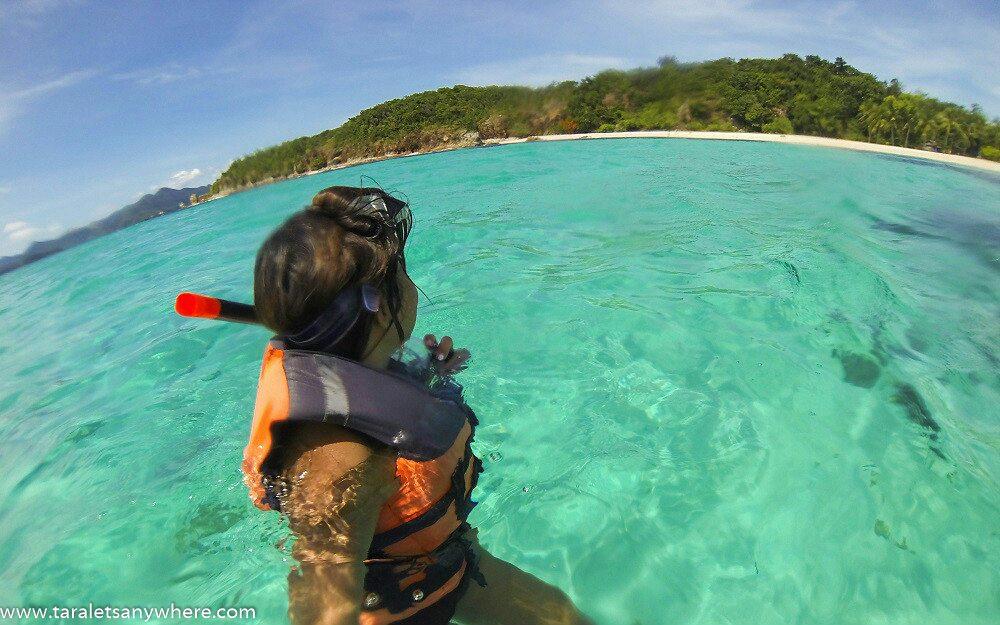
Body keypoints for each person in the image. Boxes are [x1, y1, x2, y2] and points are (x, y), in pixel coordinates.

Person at [244, 186, 594, 625]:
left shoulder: (350, 365)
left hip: (442, 562)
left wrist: (430, 376)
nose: (412, 286)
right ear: (377, 306)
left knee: (562, 618)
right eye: (405, 275)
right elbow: (324, 607)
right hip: (399, 605)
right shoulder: (342, 463)